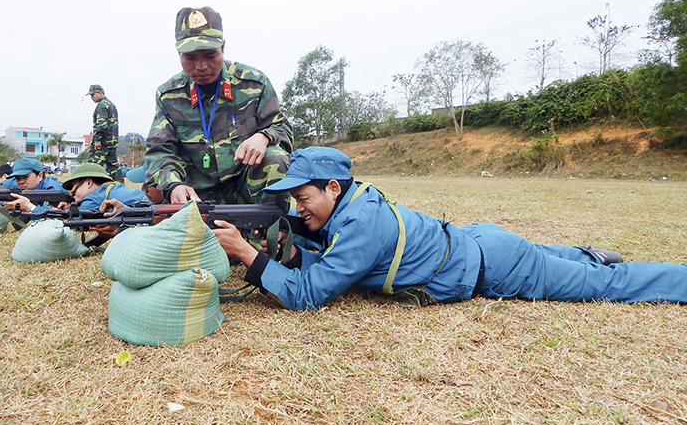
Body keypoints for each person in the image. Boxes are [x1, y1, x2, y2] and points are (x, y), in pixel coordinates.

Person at [212, 147, 687, 311]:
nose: (298, 205)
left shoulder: (358, 222)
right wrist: (288, 249)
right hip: (477, 242)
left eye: (303, 197)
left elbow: (309, 295)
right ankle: (587, 254)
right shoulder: (352, 205)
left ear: (333, 188)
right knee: (560, 259)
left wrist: (249, 255)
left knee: (609, 286)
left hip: (497, 267)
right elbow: (332, 258)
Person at [144, 6, 292, 211]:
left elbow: (283, 129)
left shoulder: (254, 84)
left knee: (275, 156)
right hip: (196, 196)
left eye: (210, 55)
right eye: (190, 58)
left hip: (247, 188)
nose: (201, 66)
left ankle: (272, 233)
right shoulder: (168, 96)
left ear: (222, 47)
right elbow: (159, 152)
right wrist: (174, 185)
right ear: (178, 53)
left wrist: (264, 136)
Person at [1, 157, 67, 213]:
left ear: (40, 176)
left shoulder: (52, 187)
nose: (21, 182)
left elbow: (54, 215)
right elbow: (1, 197)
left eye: (25, 177)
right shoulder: (23, 187)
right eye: (18, 178)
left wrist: (29, 207)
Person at [86, 84, 122, 181]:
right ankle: (120, 185)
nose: (91, 98)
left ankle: (92, 187)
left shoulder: (102, 105)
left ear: (99, 93)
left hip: (103, 142)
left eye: (92, 95)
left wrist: (97, 140)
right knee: (113, 165)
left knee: (94, 166)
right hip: (112, 141)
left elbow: (101, 125)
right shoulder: (111, 105)